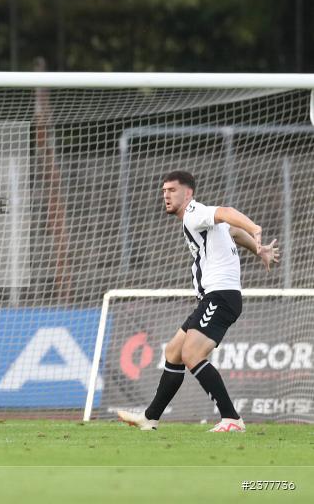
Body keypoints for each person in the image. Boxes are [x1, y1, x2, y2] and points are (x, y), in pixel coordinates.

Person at [118, 171, 279, 433]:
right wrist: (259, 250)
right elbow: (233, 232)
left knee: (192, 354)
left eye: (172, 190)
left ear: (188, 193)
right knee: (173, 351)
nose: (166, 195)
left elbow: (227, 212)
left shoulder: (195, 213)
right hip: (213, 297)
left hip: (220, 296)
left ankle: (232, 419)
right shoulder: (200, 220)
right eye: (163, 191)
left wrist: (256, 229)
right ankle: (150, 418)